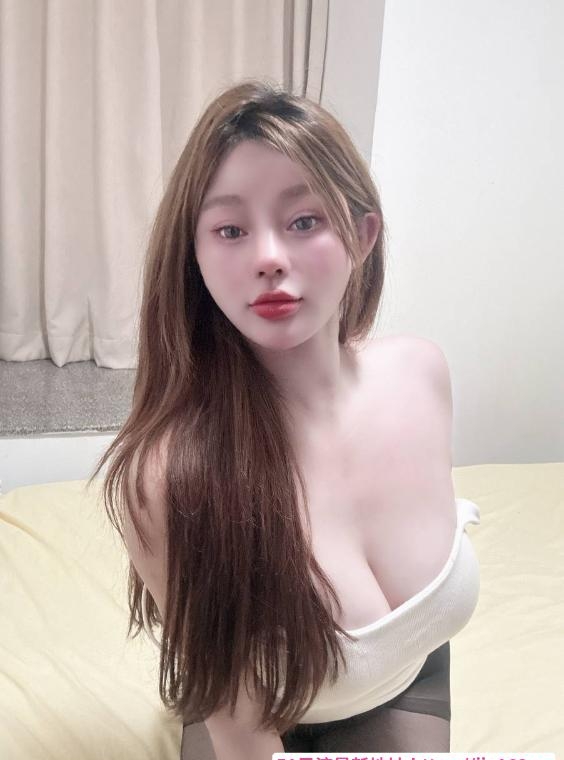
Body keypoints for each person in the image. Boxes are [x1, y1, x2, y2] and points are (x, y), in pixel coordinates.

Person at [88, 78, 481, 759]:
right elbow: (241, 729)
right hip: (259, 708)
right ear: (196, 258)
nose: (269, 257)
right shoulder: (169, 478)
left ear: (362, 235)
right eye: (230, 230)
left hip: (410, 671)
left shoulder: (421, 373)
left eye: (304, 221)